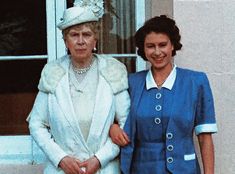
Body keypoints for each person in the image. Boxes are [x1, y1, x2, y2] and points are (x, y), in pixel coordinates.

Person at [27, 3, 130, 174]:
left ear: (95, 39)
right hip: (63, 169)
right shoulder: (53, 72)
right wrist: (60, 158)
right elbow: (36, 124)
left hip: (103, 169)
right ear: (65, 41)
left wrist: (100, 158)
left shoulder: (112, 70)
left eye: (87, 35)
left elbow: (127, 123)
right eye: (74, 35)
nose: (81, 41)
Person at [109, 15, 218, 174]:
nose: (157, 52)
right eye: (150, 46)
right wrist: (112, 127)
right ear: (143, 49)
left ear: (173, 45)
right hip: (141, 169)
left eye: (163, 45)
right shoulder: (131, 83)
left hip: (184, 169)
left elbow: (205, 137)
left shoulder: (196, 82)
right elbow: (110, 116)